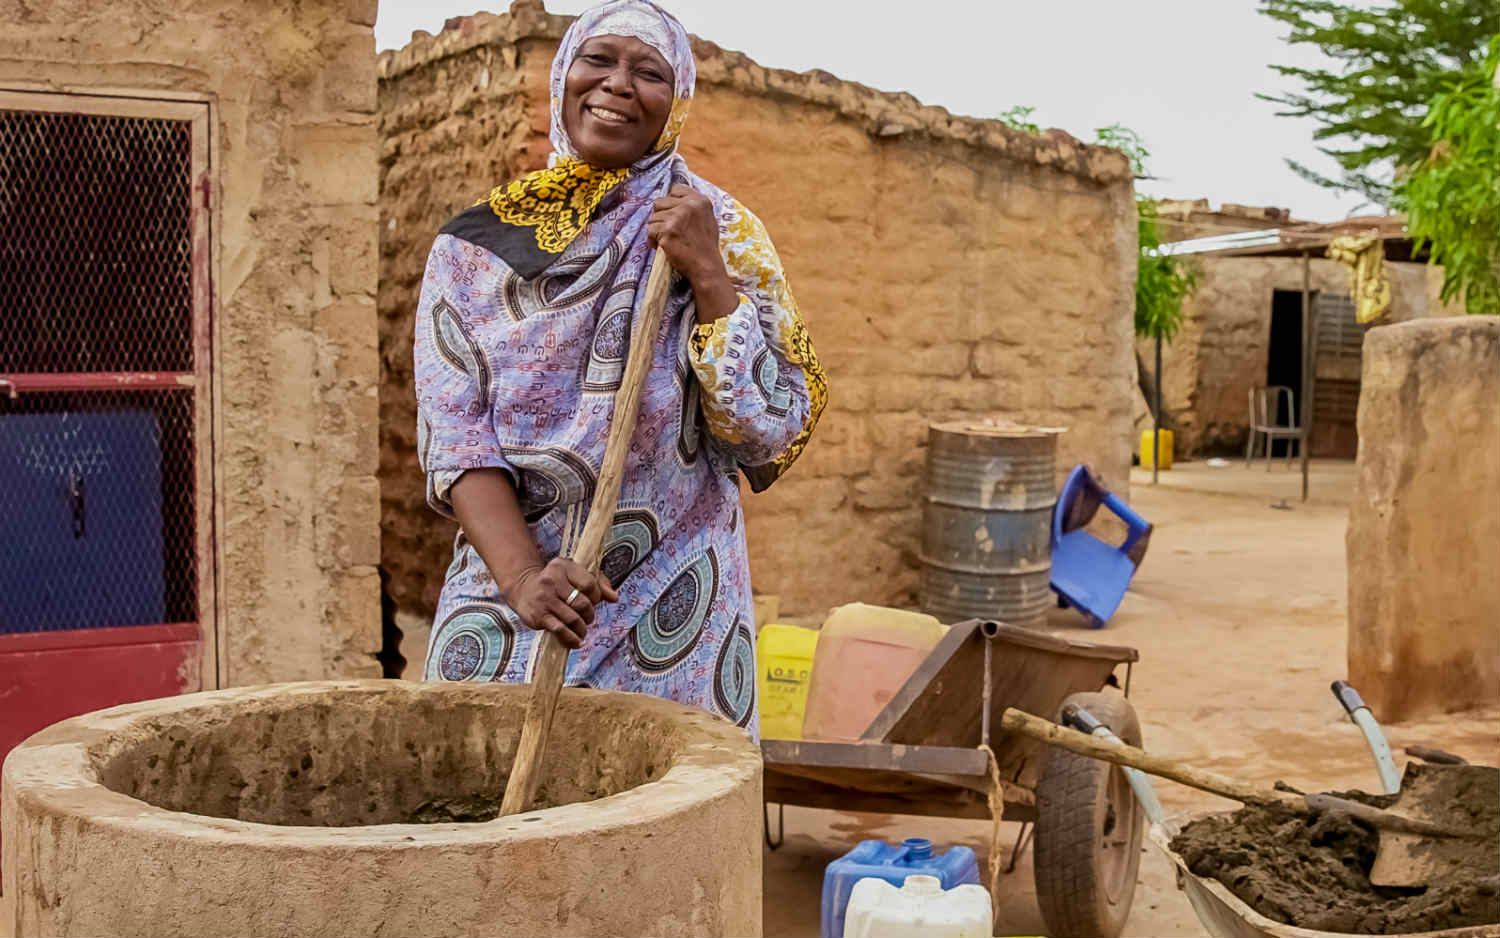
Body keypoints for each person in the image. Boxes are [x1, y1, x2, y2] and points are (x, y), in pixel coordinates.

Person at [414, 0, 827, 735]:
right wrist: (522, 580)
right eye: (597, 60)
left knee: (661, 827)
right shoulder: (471, 250)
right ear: (562, 77)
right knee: (469, 811)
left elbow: (770, 431)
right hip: (513, 598)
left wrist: (708, 276)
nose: (617, 84)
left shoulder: (722, 230)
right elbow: (459, 436)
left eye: (650, 72)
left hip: (674, 614)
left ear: (678, 102)